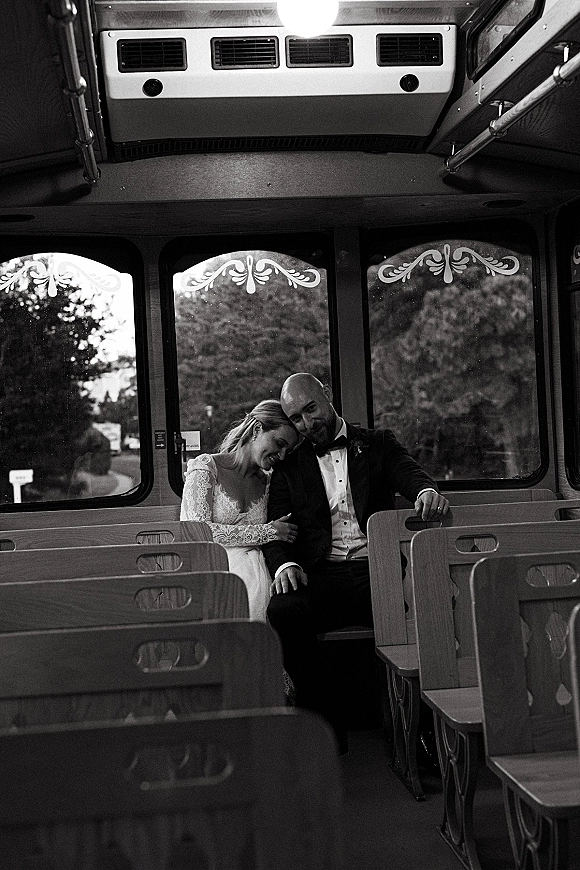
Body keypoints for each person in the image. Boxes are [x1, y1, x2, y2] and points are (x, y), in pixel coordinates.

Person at [263, 373, 450, 752]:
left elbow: (408, 473)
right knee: (283, 611)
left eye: (311, 409)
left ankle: (426, 732)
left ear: (327, 395)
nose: (306, 424)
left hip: (377, 569)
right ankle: (326, 728)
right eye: (296, 418)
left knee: (431, 607)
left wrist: (426, 491)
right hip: (323, 573)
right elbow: (275, 529)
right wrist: (285, 566)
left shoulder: (377, 443)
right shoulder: (289, 465)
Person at [180, 399, 299, 621]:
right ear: (257, 429)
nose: (282, 455)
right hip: (212, 563)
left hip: (258, 569)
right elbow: (198, 531)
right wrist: (269, 531)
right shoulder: (206, 468)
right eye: (279, 443)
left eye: (287, 450)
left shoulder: (271, 482)